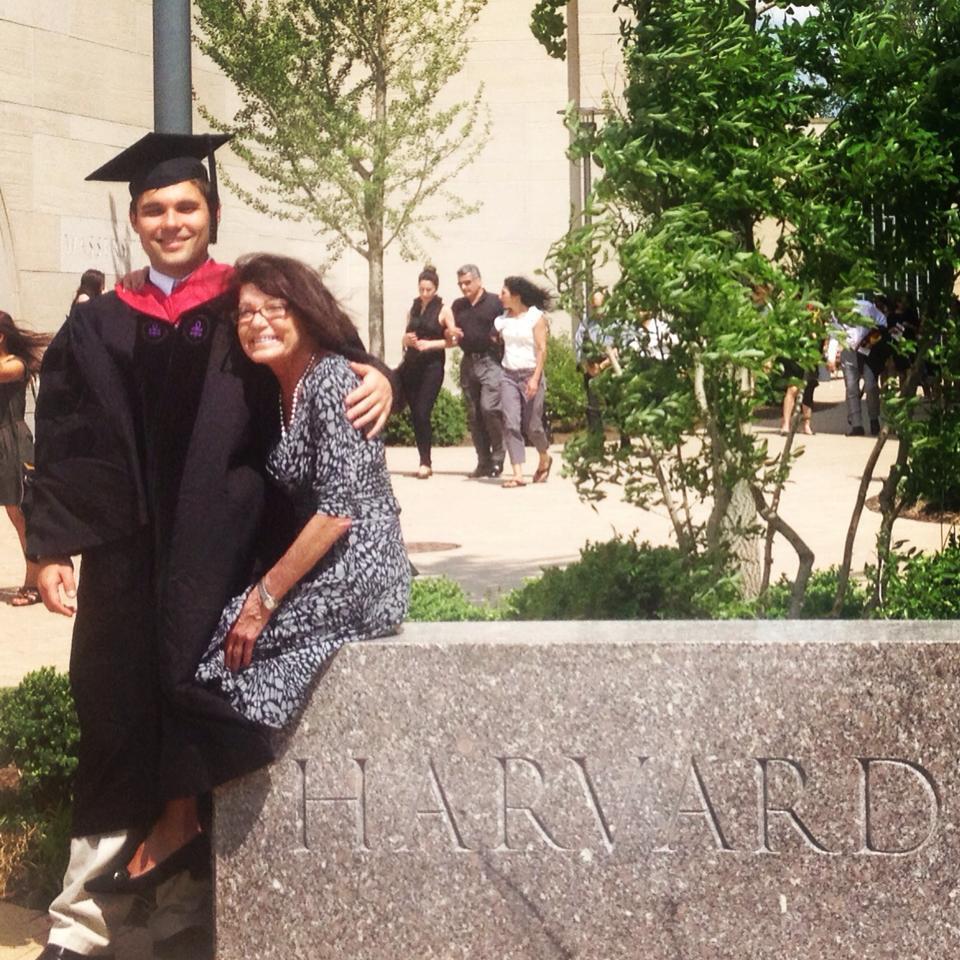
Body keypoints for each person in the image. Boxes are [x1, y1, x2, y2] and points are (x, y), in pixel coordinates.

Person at [26, 132, 394, 960]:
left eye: (186, 206)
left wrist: (382, 375)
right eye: (154, 208)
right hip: (124, 557)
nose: (171, 221)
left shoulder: (248, 302)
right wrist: (47, 548)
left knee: (202, 713)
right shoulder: (99, 322)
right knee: (114, 713)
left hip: (231, 553)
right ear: (135, 220)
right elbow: (66, 435)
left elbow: (331, 359)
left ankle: (186, 911)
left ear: (213, 213)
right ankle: (82, 918)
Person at [0, 312, 50, 606]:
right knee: (14, 512)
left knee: (21, 512)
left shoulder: (14, 365)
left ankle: (34, 583)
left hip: (13, 441)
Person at [447, 264, 505, 477]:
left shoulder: (495, 302)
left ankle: (498, 457)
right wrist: (449, 332)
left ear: (479, 281)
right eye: (460, 284)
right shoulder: (458, 305)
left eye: (468, 283)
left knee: (489, 408)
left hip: (490, 361)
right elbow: (449, 332)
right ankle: (483, 461)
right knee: (474, 414)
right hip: (468, 362)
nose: (464, 287)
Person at [494, 276, 553, 488]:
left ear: (516, 296)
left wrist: (535, 378)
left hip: (531, 374)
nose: (500, 296)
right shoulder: (502, 320)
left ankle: (544, 456)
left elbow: (542, 349)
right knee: (510, 423)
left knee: (532, 426)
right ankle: (517, 473)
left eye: (504, 293)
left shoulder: (535, 317)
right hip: (508, 375)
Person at [397, 265, 454, 478]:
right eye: (421, 289)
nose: (424, 293)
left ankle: (426, 462)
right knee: (416, 415)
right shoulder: (413, 308)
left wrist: (430, 344)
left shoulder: (444, 310)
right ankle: (423, 459)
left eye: (428, 289)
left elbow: (453, 340)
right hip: (412, 365)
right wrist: (406, 340)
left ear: (435, 289)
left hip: (432, 366)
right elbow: (405, 336)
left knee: (423, 411)